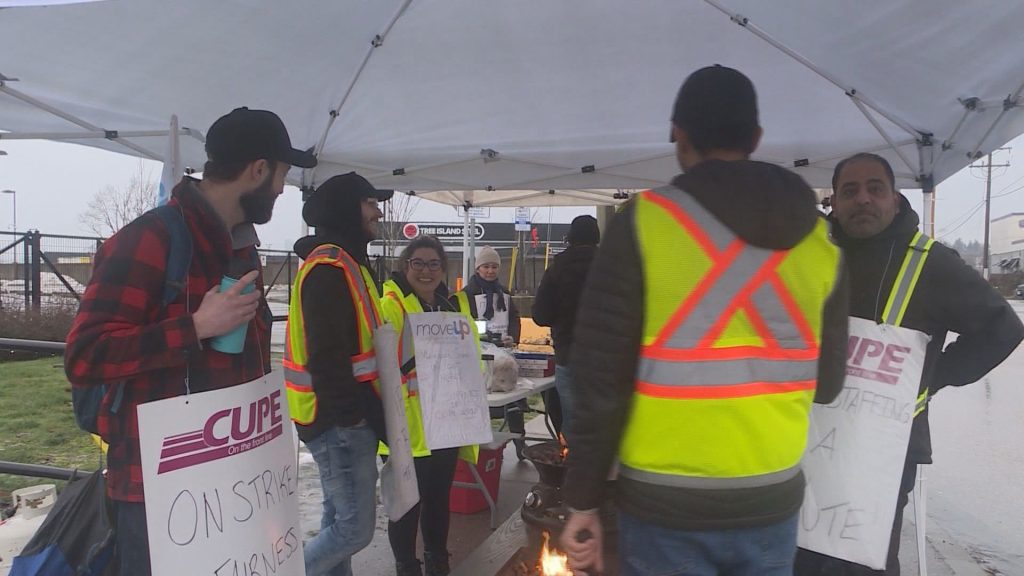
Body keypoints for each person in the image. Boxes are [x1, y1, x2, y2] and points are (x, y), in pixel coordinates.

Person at [558, 65, 849, 576]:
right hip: (771, 499)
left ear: (677, 133)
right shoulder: (822, 241)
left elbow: (598, 383)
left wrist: (583, 500)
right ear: (757, 138)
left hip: (665, 505)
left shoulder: (643, 224)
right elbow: (827, 385)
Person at [64, 107, 316, 575]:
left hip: (229, 485)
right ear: (257, 170)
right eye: (282, 174)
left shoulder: (241, 246)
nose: (283, 188)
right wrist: (194, 329)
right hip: (159, 495)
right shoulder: (149, 238)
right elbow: (85, 356)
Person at [794, 153, 1024, 575]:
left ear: (895, 200)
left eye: (875, 188)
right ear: (835, 204)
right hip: (808, 440)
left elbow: (1002, 329)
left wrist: (934, 376)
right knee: (800, 559)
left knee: (861, 563)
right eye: (849, 191)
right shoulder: (813, 255)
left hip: (884, 448)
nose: (862, 199)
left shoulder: (932, 263)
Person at [283, 172, 392, 576]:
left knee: (336, 521)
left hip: (343, 418)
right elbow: (326, 357)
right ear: (347, 207)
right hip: (338, 422)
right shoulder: (329, 267)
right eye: (369, 202)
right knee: (353, 530)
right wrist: (352, 417)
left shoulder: (348, 263)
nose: (377, 211)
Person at [380, 235, 479, 576]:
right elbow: (386, 366)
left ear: (443, 268)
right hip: (405, 427)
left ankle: (439, 561)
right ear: (406, 265)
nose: (426, 271)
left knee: (438, 500)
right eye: (418, 263)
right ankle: (407, 567)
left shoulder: (453, 306)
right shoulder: (391, 305)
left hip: (444, 425)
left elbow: (469, 358)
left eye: (433, 264)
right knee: (406, 506)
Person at [532, 214, 601, 435]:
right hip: (606, 358)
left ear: (570, 237)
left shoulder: (556, 269)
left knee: (573, 422)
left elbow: (540, 315)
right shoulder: (612, 267)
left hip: (568, 353)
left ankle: (574, 465)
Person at [456, 245, 520, 344]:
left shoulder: (505, 293)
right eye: (486, 267)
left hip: (503, 347)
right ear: (478, 269)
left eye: (494, 267)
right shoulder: (466, 294)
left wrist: (512, 337)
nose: (490, 271)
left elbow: (514, 318)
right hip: (475, 347)